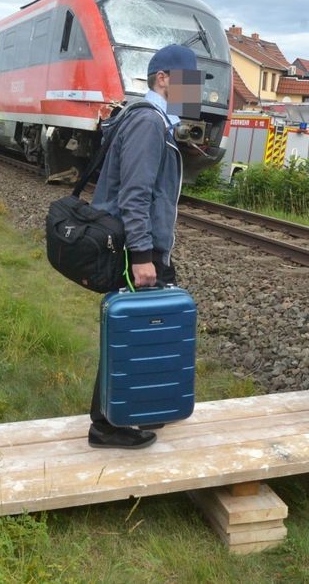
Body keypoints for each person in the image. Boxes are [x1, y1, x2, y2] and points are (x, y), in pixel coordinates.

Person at [86, 44, 200, 449]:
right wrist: (142, 256)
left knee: (141, 327)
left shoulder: (157, 121)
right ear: (163, 78)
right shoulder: (148, 123)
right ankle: (108, 425)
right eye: (189, 80)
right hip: (137, 248)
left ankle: (136, 408)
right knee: (132, 329)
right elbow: (135, 195)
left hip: (144, 244)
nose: (196, 89)